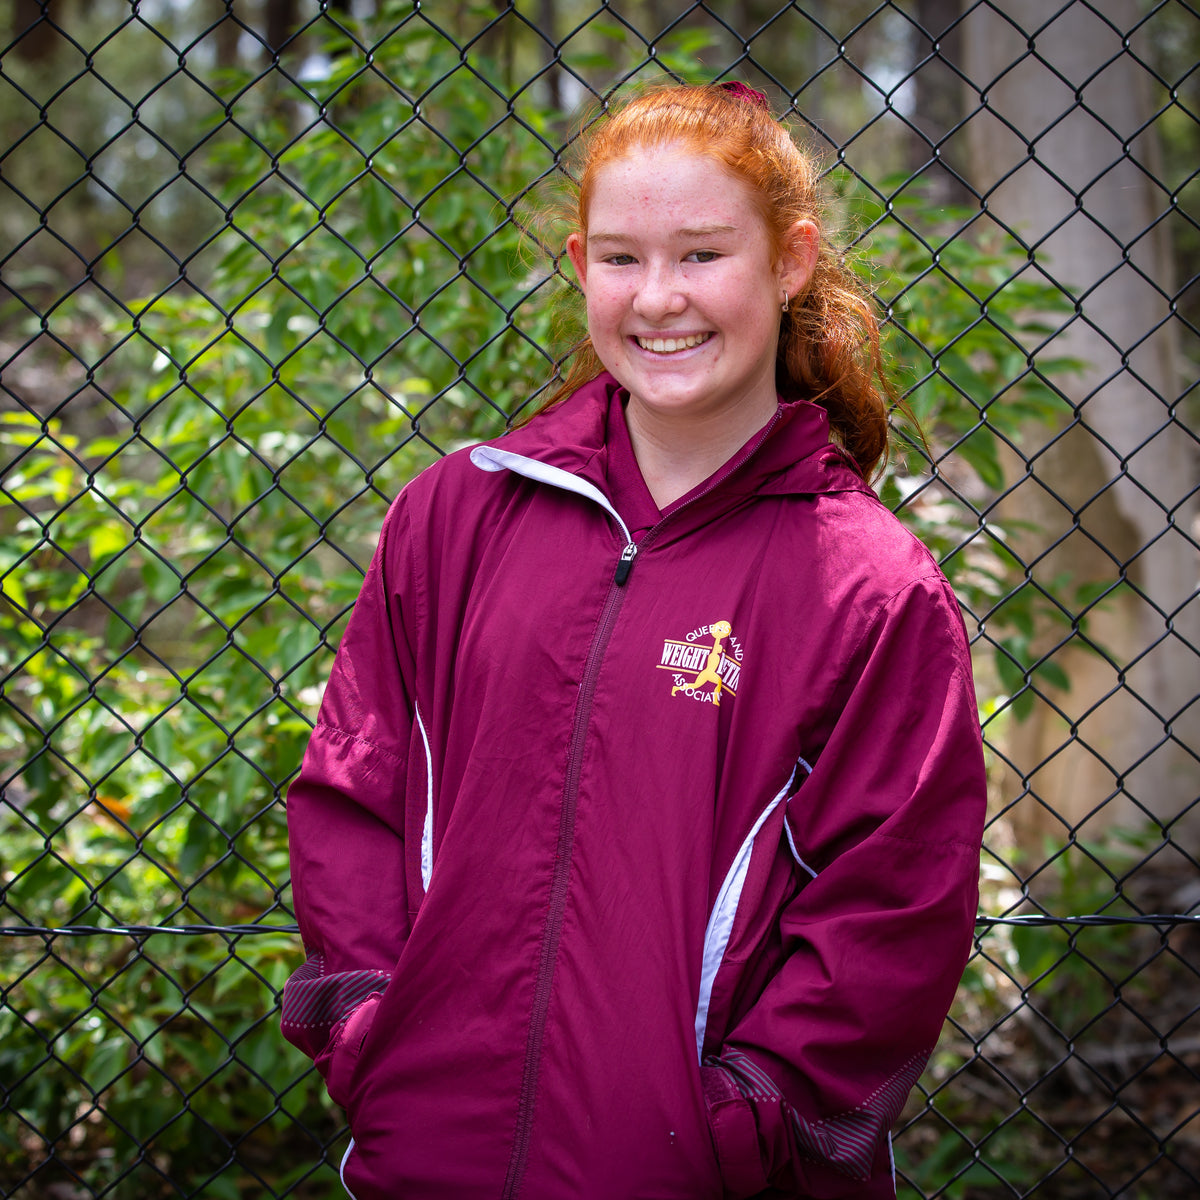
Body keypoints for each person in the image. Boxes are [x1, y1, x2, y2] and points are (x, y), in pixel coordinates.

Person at [281, 81, 987, 1199]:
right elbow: (353, 794)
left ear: (791, 260)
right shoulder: (454, 516)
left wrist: (738, 1125)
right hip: (429, 1159)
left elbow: (892, 911)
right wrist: (370, 1029)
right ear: (580, 265)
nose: (659, 298)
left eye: (702, 254)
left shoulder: (869, 585)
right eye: (621, 258)